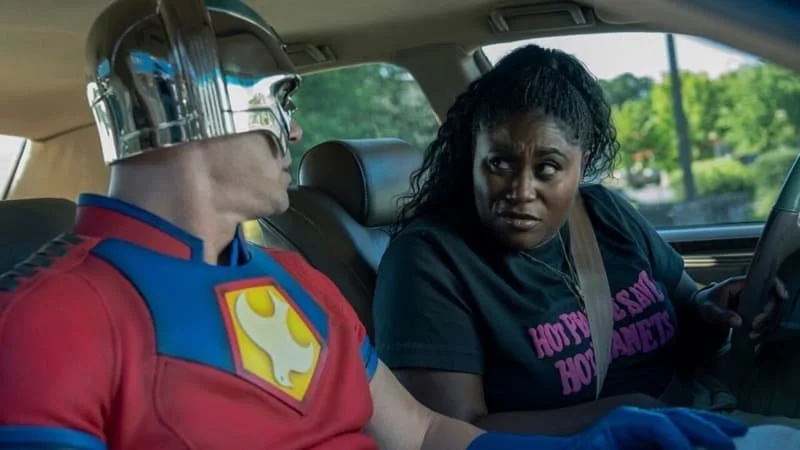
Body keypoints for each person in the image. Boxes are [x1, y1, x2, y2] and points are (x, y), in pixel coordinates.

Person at [0, 2, 749, 449]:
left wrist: (602, 439)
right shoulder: (50, 321)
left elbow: (422, 435)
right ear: (200, 109)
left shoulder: (296, 281)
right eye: (279, 102)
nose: (296, 132)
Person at [373, 44, 794, 436]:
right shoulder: (430, 260)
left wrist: (717, 307)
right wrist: (622, 414)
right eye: (499, 163)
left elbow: (689, 303)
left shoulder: (605, 213)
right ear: (473, 156)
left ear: (582, 164)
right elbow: (446, 434)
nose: (521, 190)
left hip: (699, 416)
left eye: (547, 167)